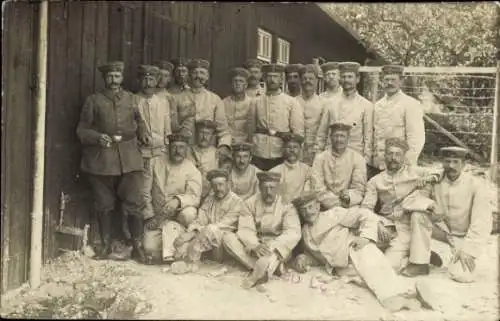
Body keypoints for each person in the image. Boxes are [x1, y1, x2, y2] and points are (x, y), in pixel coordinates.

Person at [290, 192, 424, 312]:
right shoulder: (305, 234)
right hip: (341, 266)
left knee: (375, 266)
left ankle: (394, 298)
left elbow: (363, 214)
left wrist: (365, 237)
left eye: (311, 207)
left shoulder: (333, 214)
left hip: (355, 249)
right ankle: (408, 291)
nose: (308, 212)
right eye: (303, 210)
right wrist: (304, 258)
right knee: (371, 277)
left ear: (318, 206)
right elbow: (318, 256)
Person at [76, 61, 149, 262]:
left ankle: (138, 246)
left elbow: (139, 120)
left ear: (122, 78)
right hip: (102, 160)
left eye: (117, 76)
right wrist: (97, 137)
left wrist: (143, 132)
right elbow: (82, 130)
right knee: (104, 204)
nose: (113, 80)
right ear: (104, 79)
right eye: (110, 76)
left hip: (129, 158)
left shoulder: (132, 99)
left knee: (134, 203)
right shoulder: (93, 100)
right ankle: (106, 246)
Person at [402, 146, 493, 281]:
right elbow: (409, 202)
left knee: (462, 275)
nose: (451, 166)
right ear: (442, 162)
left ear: (464, 164)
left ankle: (454, 258)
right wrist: (430, 204)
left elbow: (481, 222)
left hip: (463, 237)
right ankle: (420, 263)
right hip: (442, 232)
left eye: (455, 161)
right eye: (447, 161)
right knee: (418, 215)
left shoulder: (476, 185)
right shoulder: (434, 179)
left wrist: (469, 250)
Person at [360, 137, 442, 272]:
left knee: (388, 267)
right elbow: (365, 208)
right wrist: (377, 223)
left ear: (404, 157)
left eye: (398, 154)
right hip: (386, 224)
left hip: (407, 227)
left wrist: (429, 178)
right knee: (365, 246)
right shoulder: (375, 181)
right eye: (390, 154)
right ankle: (414, 251)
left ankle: (411, 255)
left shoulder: (415, 172)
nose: (394, 158)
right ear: (384, 156)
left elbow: (439, 172)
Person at [222, 171, 302, 288]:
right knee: (228, 238)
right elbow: (246, 228)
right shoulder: (249, 203)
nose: (268, 192)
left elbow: (293, 232)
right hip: (256, 245)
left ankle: (263, 268)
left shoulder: (286, 205)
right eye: (264, 188)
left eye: (272, 188)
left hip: (277, 246)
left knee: (276, 253)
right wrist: (254, 245)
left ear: (277, 188)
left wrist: (271, 246)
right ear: (259, 187)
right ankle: (267, 269)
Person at [143, 133, 202, 263]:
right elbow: (144, 192)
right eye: (174, 147)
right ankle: (174, 247)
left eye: (181, 147)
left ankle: (183, 242)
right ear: (168, 147)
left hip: (179, 216)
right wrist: (150, 216)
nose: (178, 151)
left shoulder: (191, 168)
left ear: (186, 149)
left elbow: (194, 197)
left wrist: (178, 200)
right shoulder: (154, 163)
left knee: (190, 213)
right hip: (158, 217)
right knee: (149, 248)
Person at [170, 169, 245, 271]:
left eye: (221, 184)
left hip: (223, 246)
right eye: (214, 186)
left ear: (228, 184)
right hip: (205, 241)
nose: (218, 189)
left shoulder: (237, 202)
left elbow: (221, 226)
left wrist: (193, 233)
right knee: (181, 240)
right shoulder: (210, 199)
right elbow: (199, 220)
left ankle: (191, 261)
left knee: (212, 229)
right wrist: (190, 232)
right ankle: (186, 258)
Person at [370, 65, 425, 179]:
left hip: (401, 165)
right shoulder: (378, 105)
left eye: (393, 80)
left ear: (401, 81)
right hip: (380, 165)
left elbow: (416, 138)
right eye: (386, 79)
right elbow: (375, 135)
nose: (390, 83)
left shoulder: (410, 104)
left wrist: (406, 163)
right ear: (382, 81)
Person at [248, 63, 304, 171]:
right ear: (264, 78)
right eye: (269, 76)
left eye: (275, 76)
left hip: (281, 151)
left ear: (281, 79)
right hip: (259, 151)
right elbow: (251, 129)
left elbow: (297, 132)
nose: (272, 80)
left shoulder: (291, 102)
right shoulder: (256, 101)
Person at [315, 62, 373, 165]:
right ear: (340, 79)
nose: (346, 80)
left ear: (357, 79)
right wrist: (318, 156)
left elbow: (368, 136)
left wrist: (365, 160)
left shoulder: (366, 105)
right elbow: (322, 133)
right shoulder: (330, 103)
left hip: (355, 157)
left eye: (350, 77)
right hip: (331, 157)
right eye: (343, 76)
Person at [135, 64, 172, 227]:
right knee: (142, 189)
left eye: (151, 79)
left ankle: (159, 224)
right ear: (140, 81)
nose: (148, 83)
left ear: (157, 81)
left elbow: (167, 128)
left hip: (160, 152)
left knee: (159, 187)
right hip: (139, 152)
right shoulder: (133, 100)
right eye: (145, 79)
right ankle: (143, 224)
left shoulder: (163, 101)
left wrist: (167, 147)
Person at [174, 58, 232, 158]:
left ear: (207, 77)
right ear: (189, 76)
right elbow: (172, 127)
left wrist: (223, 145)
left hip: (208, 150)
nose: (198, 76)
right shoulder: (177, 98)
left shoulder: (215, 99)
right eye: (195, 73)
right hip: (184, 149)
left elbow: (223, 129)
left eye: (202, 73)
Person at [311, 123, 366, 211]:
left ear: (348, 138)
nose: (338, 139)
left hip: (349, 207)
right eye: (335, 136)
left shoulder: (358, 158)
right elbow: (318, 189)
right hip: (325, 208)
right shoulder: (320, 158)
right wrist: (335, 204)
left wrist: (348, 197)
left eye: (342, 136)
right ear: (330, 137)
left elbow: (359, 189)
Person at [269, 133, 312, 204]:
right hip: (280, 210)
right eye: (288, 147)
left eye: (295, 147)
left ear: (300, 149)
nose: (292, 150)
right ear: (283, 149)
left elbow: (307, 195)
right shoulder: (274, 172)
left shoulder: (307, 170)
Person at [295, 64, 325, 165]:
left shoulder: (323, 103)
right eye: (304, 78)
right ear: (300, 81)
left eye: (311, 79)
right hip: (296, 151)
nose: (308, 81)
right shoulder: (293, 102)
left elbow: (324, 130)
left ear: (316, 81)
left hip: (316, 151)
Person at [187, 120, 220, 200]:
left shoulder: (216, 153)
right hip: (190, 193)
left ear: (212, 136)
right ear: (197, 134)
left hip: (210, 195)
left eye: (207, 134)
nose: (204, 137)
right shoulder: (188, 151)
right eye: (201, 133)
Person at [222, 67, 255, 144]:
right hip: (227, 141)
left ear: (246, 85)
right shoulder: (223, 102)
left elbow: (253, 127)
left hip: (246, 143)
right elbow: (221, 126)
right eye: (235, 81)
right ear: (231, 84)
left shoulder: (252, 102)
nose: (238, 83)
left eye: (241, 81)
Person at [155, 60, 178, 132]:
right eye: (159, 75)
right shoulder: (145, 95)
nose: (161, 79)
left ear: (169, 79)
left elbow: (173, 122)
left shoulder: (170, 98)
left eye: (165, 76)